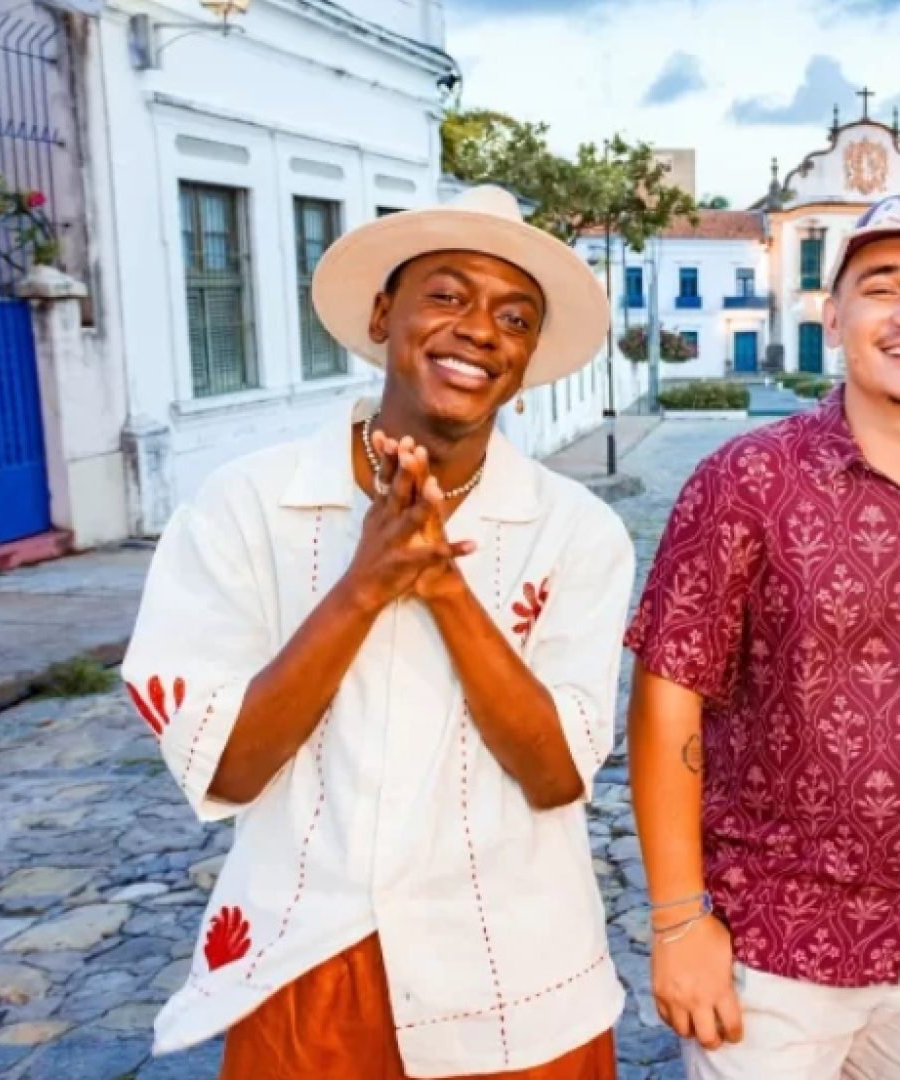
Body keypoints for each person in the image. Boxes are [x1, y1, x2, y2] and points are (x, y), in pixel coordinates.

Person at [124, 185, 633, 1079]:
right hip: (309, 965)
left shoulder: (577, 531)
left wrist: (443, 587)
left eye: (514, 317)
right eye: (446, 294)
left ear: (525, 356)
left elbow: (557, 773)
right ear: (380, 312)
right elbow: (228, 766)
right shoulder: (246, 506)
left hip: (519, 975)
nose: (480, 328)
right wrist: (365, 584)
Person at [623, 192, 900, 1080]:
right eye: (882, 288)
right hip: (771, 934)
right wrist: (678, 919)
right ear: (834, 317)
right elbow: (668, 695)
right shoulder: (743, 482)